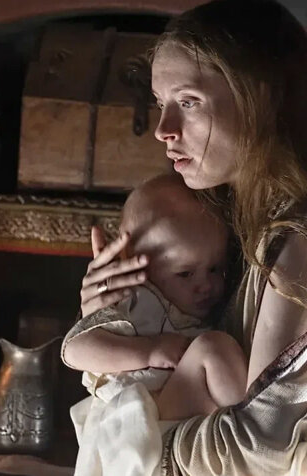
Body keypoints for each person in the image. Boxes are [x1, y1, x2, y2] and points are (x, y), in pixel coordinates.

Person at [75, 1, 307, 475]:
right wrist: (111, 316)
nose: (163, 129)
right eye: (161, 103)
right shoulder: (232, 228)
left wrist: (134, 450)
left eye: (188, 101)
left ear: (259, 98)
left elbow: (256, 450)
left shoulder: (303, 244)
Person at [62, 175, 248, 475]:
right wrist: (149, 350)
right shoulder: (131, 299)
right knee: (213, 348)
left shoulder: (214, 305)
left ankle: (251, 437)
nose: (206, 285)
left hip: (182, 416)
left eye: (216, 269)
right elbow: (75, 351)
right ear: (138, 263)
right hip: (137, 424)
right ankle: (256, 437)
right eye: (185, 273)